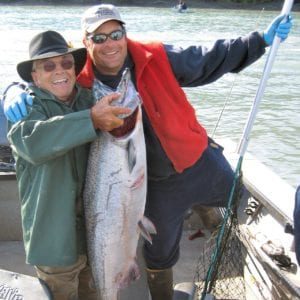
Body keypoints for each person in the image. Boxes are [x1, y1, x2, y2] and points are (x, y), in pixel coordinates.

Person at [3, 4, 292, 300]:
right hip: (153, 184)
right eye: (99, 38)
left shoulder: (154, 56)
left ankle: (219, 227)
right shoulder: (82, 81)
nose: (109, 43)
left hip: (197, 161)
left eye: (115, 34)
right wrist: (13, 88)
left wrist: (260, 41)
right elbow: (47, 90)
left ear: (125, 34)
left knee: (238, 206)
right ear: (86, 43)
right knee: (160, 252)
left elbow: (206, 58)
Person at [6, 30, 130, 300]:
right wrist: (91, 121)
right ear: (34, 76)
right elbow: (33, 142)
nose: (59, 70)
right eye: (48, 66)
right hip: (54, 242)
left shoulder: (91, 100)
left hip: (95, 235)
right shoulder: (26, 108)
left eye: (66, 63)